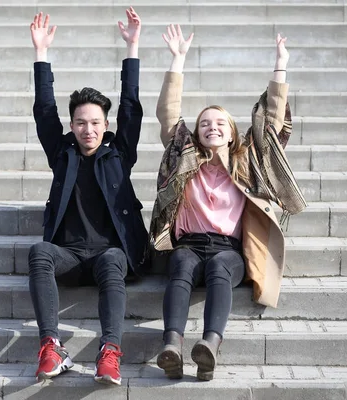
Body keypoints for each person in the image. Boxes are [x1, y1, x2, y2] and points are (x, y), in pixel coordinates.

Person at [149, 25, 306, 381]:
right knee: (182, 265)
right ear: (197, 131)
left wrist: (280, 66)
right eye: (205, 123)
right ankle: (171, 345)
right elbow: (168, 115)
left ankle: (208, 347)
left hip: (228, 248)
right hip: (188, 244)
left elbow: (271, 121)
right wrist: (178, 60)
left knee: (220, 268)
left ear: (233, 132)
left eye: (220, 122)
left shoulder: (246, 161)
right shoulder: (184, 156)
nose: (212, 127)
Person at [27, 8, 148, 386]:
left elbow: (131, 109)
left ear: (105, 126)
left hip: (108, 256)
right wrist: (40, 54)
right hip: (69, 255)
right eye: (81, 122)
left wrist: (133, 47)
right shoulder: (62, 154)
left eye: (95, 122)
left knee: (113, 257)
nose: (88, 129)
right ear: (73, 125)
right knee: (38, 253)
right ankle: (51, 346)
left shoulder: (119, 155)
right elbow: (45, 111)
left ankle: (109, 352)